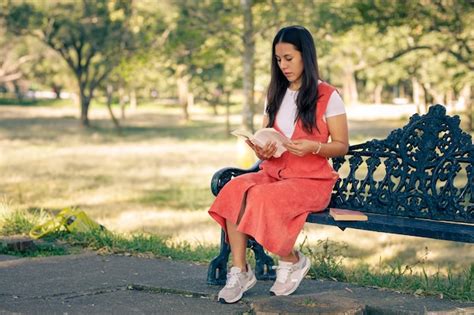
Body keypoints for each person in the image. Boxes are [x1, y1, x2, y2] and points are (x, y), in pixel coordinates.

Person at [208, 25, 349, 304]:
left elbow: (342, 145)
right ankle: (240, 270)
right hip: (274, 173)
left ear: (305, 56)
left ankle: (291, 260)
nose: (283, 65)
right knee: (235, 189)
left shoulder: (328, 96)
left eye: (289, 58)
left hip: (311, 181)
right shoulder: (275, 93)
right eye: (278, 59)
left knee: (260, 197)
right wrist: (263, 148)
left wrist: (315, 147)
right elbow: (266, 136)